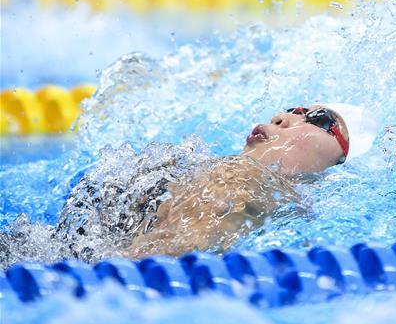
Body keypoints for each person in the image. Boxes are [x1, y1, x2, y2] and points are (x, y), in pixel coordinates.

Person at [123, 103, 361, 259]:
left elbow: (148, 259)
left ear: (340, 163)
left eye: (319, 120)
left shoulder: (239, 174)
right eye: (292, 110)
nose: (280, 117)